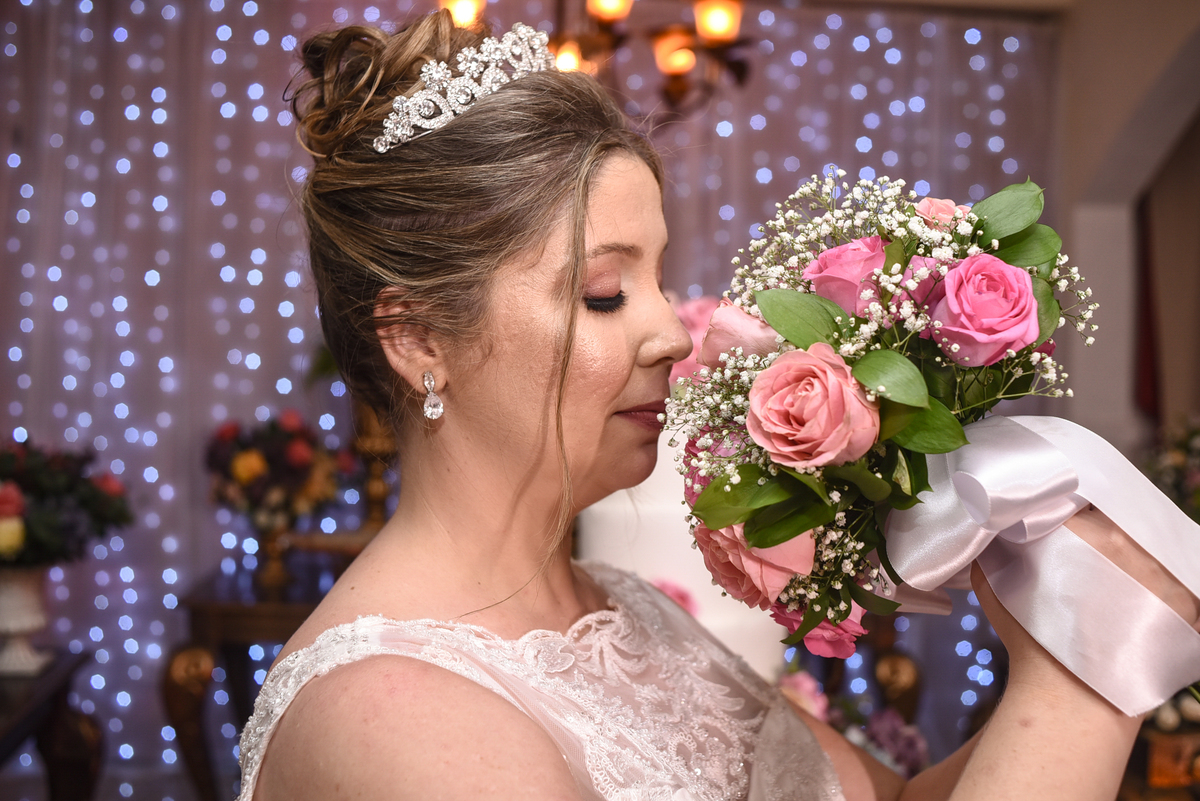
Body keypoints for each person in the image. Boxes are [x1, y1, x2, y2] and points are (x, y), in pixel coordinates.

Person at [238, 11, 1200, 801]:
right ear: (418, 341)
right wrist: (1087, 677)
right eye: (603, 292)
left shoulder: (629, 610)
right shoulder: (395, 718)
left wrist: (1055, 636)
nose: (673, 333)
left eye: (661, 280)